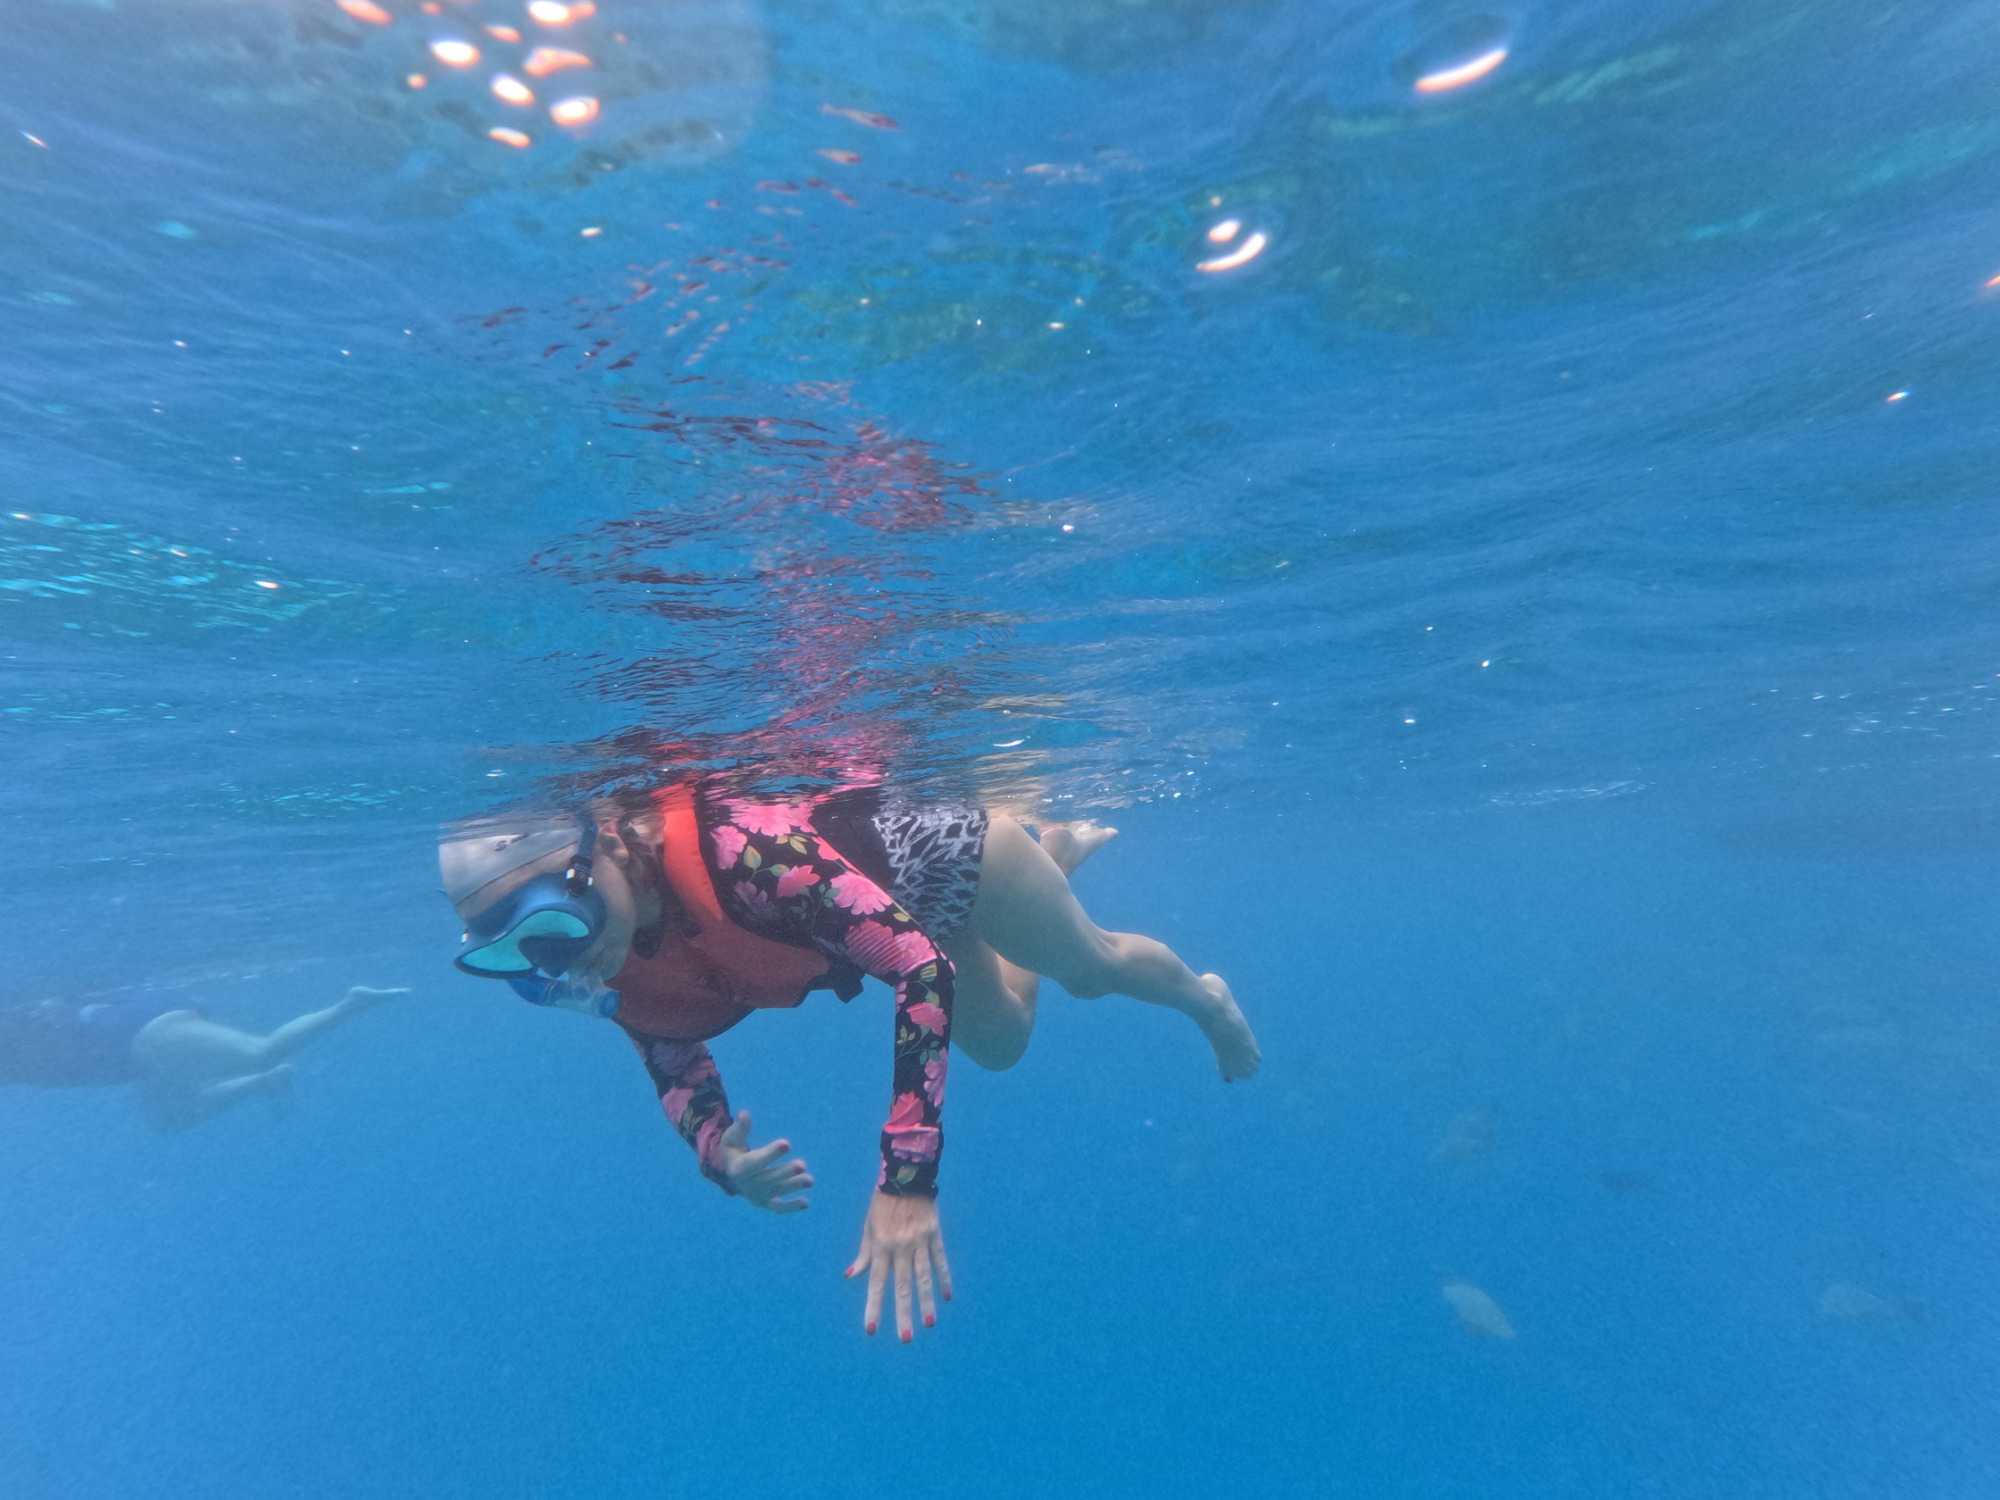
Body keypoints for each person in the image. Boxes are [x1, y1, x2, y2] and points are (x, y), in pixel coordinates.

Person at [439, 780, 1259, 1343]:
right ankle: (1057, 866)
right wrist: (718, 1153)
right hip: (881, 925)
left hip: (951, 866)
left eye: (560, 927)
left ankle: (1207, 1000)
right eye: (526, 957)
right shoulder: (603, 953)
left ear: (609, 850)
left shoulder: (744, 855)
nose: (566, 964)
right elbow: (668, 1048)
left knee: (1091, 970)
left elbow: (920, 968)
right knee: (1004, 1045)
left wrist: (908, 1181)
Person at [0, 984, 406, 1131]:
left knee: (260, 1052)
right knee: (171, 1119)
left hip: (144, 1029)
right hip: (135, 1056)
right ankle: (266, 1083)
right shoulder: (15, 1059)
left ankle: (350, 1004)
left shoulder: (13, 1041)